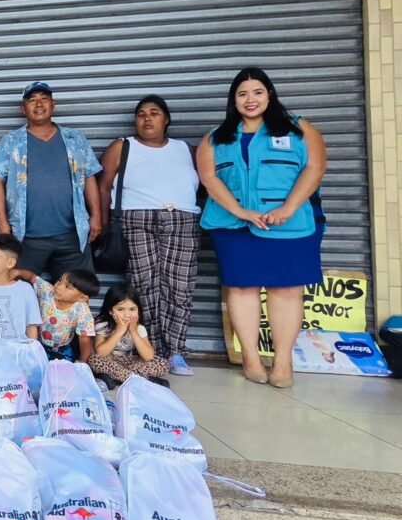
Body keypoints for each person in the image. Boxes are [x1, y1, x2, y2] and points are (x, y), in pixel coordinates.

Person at [198, 67, 327, 389]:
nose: (250, 99)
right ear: (233, 100)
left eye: (257, 92)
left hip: (289, 224)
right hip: (233, 225)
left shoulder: (299, 128)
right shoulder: (216, 137)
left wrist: (288, 207)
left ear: (269, 94)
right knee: (242, 288)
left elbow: (315, 168)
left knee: (287, 289)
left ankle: (282, 361)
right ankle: (251, 357)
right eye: (242, 94)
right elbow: (209, 178)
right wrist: (239, 210)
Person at [98, 95, 201, 377]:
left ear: (166, 119)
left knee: (180, 288)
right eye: (141, 113)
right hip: (136, 220)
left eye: (154, 113)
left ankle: (176, 352)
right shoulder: (122, 146)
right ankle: (150, 349)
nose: (147, 118)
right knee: (143, 287)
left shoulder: (185, 149)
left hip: (182, 220)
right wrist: (104, 223)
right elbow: (103, 187)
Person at [0, 81, 103, 278]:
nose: (39, 104)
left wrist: (96, 216)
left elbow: (89, 176)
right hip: (25, 236)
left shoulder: (75, 138)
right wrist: (3, 224)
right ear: (23, 109)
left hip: (72, 235)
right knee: (19, 288)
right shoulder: (10, 141)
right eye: (32, 100)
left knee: (75, 290)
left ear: (53, 104)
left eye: (44, 99)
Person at [88, 282, 170, 386]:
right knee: (95, 360)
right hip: (109, 361)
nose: (127, 315)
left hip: (130, 363)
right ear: (110, 311)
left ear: (138, 310)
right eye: (120, 309)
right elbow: (101, 353)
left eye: (132, 309)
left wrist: (133, 331)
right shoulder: (103, 325)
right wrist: (119, 331)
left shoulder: (139, 328)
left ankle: (118, 378)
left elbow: (148, 356)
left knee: (162, 363)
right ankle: (141, 379)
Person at [12, 267, 99, 361]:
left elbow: (85, 340)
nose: (58, 286)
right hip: (39, 344)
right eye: (60, 280)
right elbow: (32, 277)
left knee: (64, 368)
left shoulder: (82, 311)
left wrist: (83, 362)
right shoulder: (47, 291)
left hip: (63, 349)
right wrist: (18, 272)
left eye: (67, 287)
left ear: (82, 298)